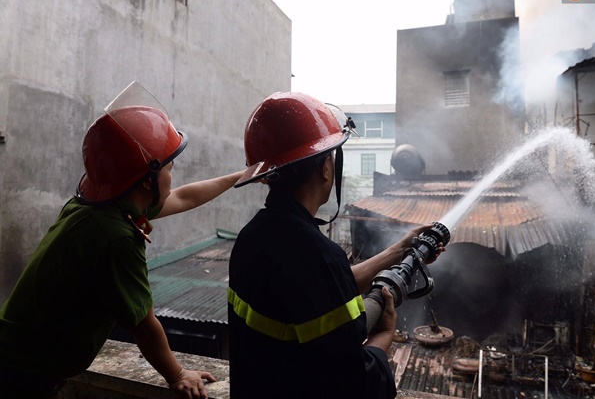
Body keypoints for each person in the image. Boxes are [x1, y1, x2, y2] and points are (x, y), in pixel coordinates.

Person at [0, 82, 244, 399]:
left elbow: (184, 198)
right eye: (170, 168)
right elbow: (144, 324)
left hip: (16, 354)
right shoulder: (116, 237)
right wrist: (178, 373)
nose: (173, 176)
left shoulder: (95, 206)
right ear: (146, 180)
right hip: (24, 375)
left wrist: (240, 176)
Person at [228, 92, 444, 399]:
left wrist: (399, 250)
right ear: (326, 169)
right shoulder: (317, 256)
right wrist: (383, 337)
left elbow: (322, 289)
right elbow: (356, 385)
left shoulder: (252, 238)